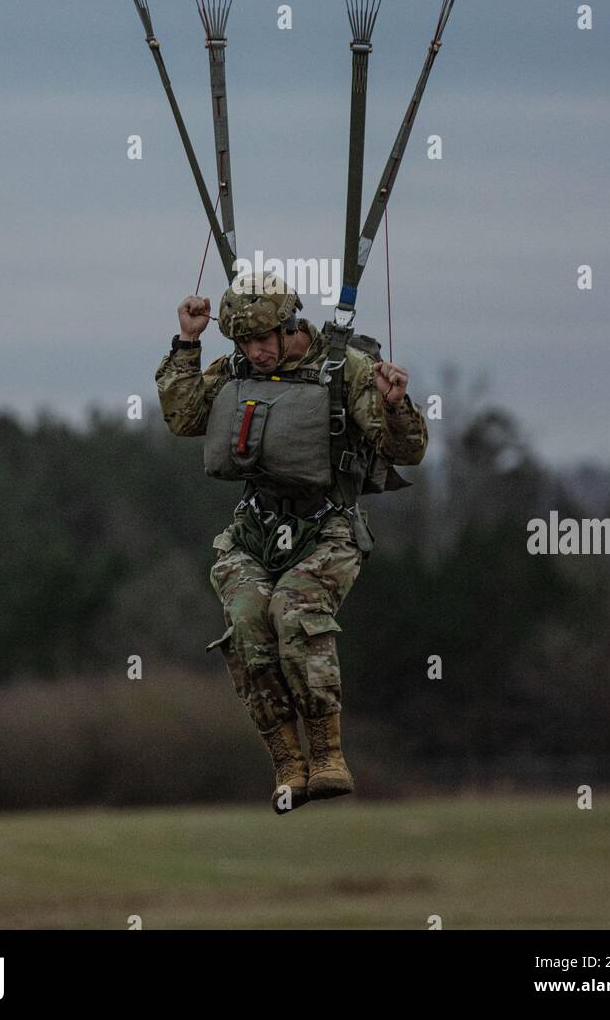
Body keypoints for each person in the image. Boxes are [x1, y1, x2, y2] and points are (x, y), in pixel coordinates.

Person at [155, 272, 428, 813]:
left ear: (290, 326)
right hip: (256, 527)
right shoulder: (235, 367)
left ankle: (327, 752)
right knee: (248, 623)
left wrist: (395, 404)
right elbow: (183, 417)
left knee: (293, 612)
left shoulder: (343, 370)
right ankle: (286, 759)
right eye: (242, 343)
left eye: (262, 341)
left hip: (328, 528)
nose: (254, 353)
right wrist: (188, 343)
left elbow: (408, 450)